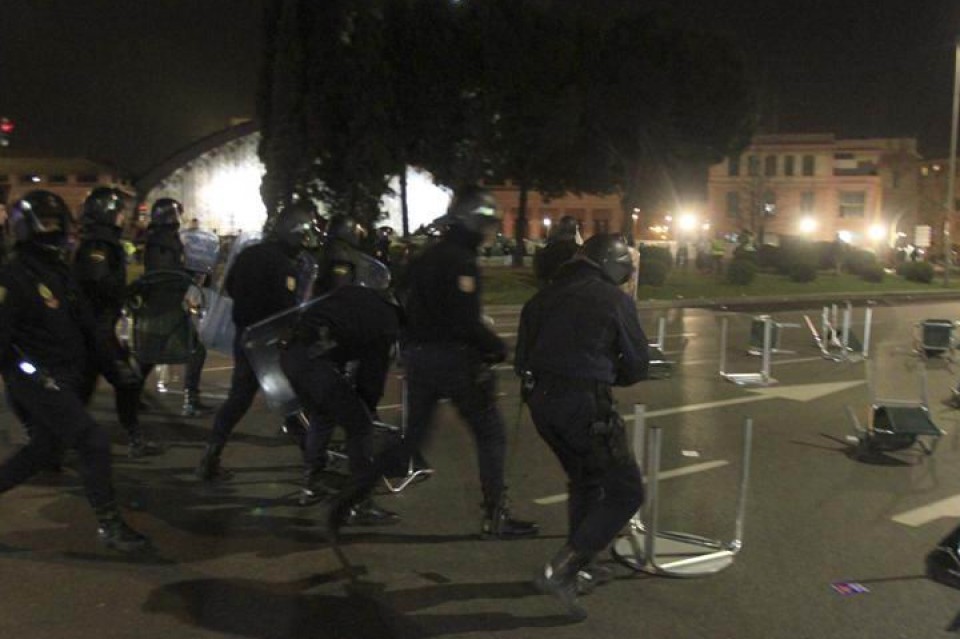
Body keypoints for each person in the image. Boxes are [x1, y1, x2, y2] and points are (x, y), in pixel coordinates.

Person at [322, 185, 538, 540]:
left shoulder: (426, 256)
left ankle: (352, 496)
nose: (490, 232)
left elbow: (400, 298)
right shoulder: (461, 261)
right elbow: (465, 322)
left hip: (419, 359)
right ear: (472, 222)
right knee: (491, 435)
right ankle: (495, 514)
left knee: (411, 442)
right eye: (486, 224)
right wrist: (498, 348)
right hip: (452, 360)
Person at [0, 190, 149, 551]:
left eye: (57, 224)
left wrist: (116, 367)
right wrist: (29, 373)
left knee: (43, 452)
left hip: (65, 376)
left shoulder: (60, 272)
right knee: (93, 441)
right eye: (46, 225)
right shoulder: (13, 277)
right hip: (37, 379)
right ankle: (110, 525)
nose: (53, 232)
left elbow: (88, 326)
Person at [515, 233, 649, 620]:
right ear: (614, 263)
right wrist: (606, 373)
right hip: (586, 406)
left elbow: (521, 359)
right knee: (626, 492)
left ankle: (582, 564)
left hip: (542, 406)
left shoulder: (542, 297)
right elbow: (637, 365)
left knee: (585, 479)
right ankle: (564, 569)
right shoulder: (614, 300)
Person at [195, 201, 320, 481]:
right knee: (290, 400)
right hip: (270, 340)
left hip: (246, 336)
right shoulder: (284, 264)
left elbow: (230, 287)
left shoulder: (250, 253)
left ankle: (211, 457)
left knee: (239, 399)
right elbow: (285, 307)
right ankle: (315, 465)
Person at [281, 274, 403, 526]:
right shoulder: (387, 323)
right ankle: (360, 502)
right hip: (315, 364)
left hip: (292, 357)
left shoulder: (357, 294)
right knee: (360, 426)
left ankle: (313, 480)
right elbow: (372, 378)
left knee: (322, 415)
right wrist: (365, 408)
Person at [74, 187, 161, 457]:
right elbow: (97, 281)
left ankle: (55, 446)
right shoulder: (98, 245)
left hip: (96, 328)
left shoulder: (102, 242)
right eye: (119, 213)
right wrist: (129, 291)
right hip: (96, 329)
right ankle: (134, 440)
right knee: (128, 381)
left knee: (82, 392)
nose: (123, 218)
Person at [141, 198, 208, 416]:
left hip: (164, 304)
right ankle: (191, 401)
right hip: (166, 305)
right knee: (196, 350)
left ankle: (131, 395)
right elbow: (164, 273)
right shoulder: (162, 240)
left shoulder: (162, 238)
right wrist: (187, 278)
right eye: (177, 213)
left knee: (150, 355)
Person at [533, 215, 581, 286]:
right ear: (574, 232)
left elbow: (540, 275)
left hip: (552, 290)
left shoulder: (548, 250)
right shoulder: (580, 251)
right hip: (574, 291)